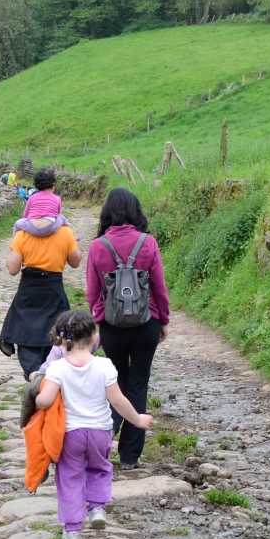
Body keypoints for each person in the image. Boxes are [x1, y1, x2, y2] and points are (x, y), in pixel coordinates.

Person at [33, 310, 153, 539]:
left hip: (70, 434)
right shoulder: (105, 365)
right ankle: (97, 508)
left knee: (69, 477)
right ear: (94, 338)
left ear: (61, 339)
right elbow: (118, 401)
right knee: (99, 468)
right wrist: (138, 420)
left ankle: (73, 530)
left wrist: (36, 400)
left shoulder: (57, 368)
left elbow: (45, 400)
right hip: (100, 431)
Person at [85, 188, 170, 470]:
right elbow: (159, 286)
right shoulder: (148, 243)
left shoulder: (98, 246)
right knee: (139, 382)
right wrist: (163, 320)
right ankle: (131, 456)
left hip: (112, 326)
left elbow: (92, 291)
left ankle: (105, 436)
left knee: (115, 381)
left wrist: (99, 318)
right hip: (147, 322)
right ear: (135, 210)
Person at [0, 185, 82, 379]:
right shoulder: (64, 232)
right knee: (57, 332)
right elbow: (76, 262)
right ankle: (50, 377)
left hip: (29, 289)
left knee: (26, 334)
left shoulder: (22, 234)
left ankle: (33, 374)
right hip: (54, 288)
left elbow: (12, 270)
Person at [14, 169, 67, 237]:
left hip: (33, 227)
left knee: (17, 223)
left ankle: (16, 240)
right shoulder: (57, 198)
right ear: (53, 185)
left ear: (36, 185)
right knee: (61, 217)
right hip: (50, 227)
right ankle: (69, 234)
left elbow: (25, 215)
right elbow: (58, 213)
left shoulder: (32, 197)